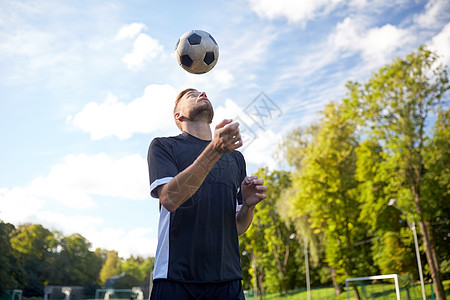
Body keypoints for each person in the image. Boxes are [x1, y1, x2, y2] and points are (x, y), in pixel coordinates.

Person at [147, 88, 268, 300]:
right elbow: (170, 199)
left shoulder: (235, 158)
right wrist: (215, 150)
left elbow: (237, 227)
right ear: (179, 115)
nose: (201, 92)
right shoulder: (164, 146)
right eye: (190, 95)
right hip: (176, 279)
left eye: (201, 92)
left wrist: (249, 206)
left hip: (227, 281)